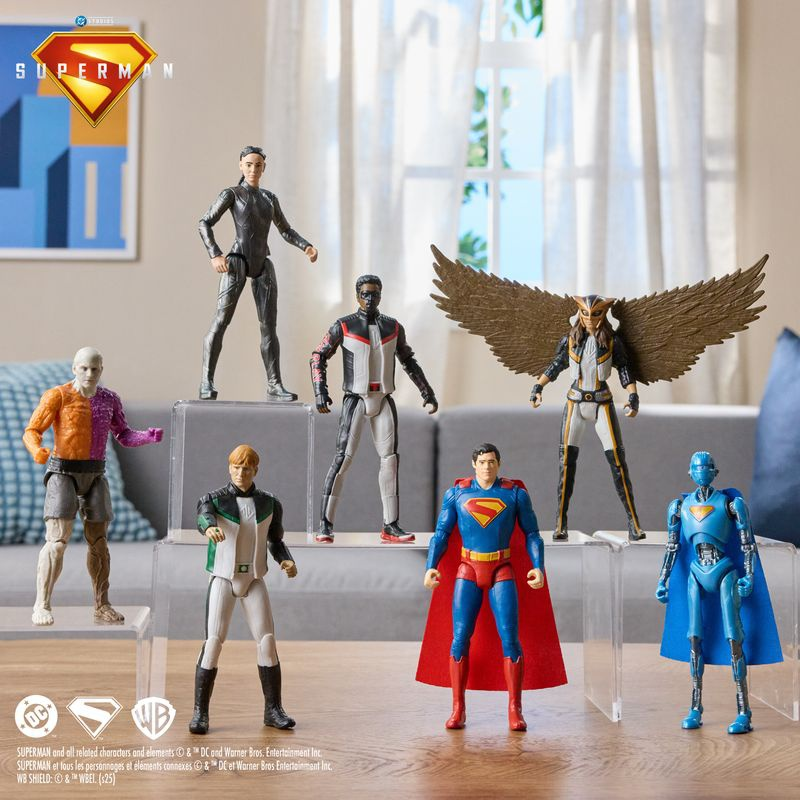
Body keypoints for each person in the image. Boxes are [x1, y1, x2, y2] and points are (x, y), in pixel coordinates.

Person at [417, 444, 566, 731]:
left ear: (499, 464)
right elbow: (441, 534)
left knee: (510, 637)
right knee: (460, 637)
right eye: (483, 462)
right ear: (474, 464)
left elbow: (532, 534)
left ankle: (515, 708)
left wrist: (538, 566)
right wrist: (430, 565)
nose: (487, 467)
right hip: (468, 568)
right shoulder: (457, 493)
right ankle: (458, 708)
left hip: (501, 568)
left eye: (492, 462)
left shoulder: (514, 494)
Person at [22, 347, 163, 626]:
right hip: (63, 472)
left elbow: (123, 434)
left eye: (94, 368)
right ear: (74, 368)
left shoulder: (109, 399)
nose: (89, 373)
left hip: (95, 473)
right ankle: (42, 604)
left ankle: (102, 604)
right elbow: (32, 430)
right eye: (84, 368)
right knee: (56, 542)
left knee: (99, 543)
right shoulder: (58, 395)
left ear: (101, 370)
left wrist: (147, 437)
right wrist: (36, 450)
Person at [656, 451, 782, 734]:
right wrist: (662, 579)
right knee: (694, 638)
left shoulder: (731, 505)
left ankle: (743, 710)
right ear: (690, 472)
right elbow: (672, 547)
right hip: (696, 572)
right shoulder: (679, 506)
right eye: (697, 468)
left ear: (715, 472)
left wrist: (749, 576)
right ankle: (695, 706)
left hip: (724, 570)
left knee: (734, 638)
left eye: (707, 467)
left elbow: (747, 544)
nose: (702, 472)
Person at [310, 275, 437, 543]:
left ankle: (391, 525)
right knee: (343, 459)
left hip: (383, 399)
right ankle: (325, 524)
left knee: (390, 461)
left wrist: (427, 391)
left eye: (374, 294)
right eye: (365, 294)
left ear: (381, 295)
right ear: (357, 295)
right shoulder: (344, 325)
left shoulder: (393, 326)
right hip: (355, 398)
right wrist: (320, 391)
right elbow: (318, 355)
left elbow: (408, 360)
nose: (369, 299)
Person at [190, 444, 297, 734]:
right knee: (213, 642)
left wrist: (285, 560)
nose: (240, 473)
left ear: (255, 470)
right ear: (229, 468)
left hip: (254, 578)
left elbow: (275, 540)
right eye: (236, 467)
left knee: (267, 641)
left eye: (246, 468)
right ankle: (200, 713)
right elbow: (203, 516)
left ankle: (273, 710)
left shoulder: (269, 503)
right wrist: (208, 527)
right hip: (223, 578)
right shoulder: (214, 499)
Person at [199, 145, 318, 401]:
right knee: (221, 320)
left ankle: (274, 383)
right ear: (241, 165)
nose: (253, 169)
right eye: (249, 164)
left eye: (258, 165)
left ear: (264, 168)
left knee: (269, 328)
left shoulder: (269, 199)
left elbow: (285, 230)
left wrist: (305, 246)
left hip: (263, 263)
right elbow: (205, 222)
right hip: (237, 261)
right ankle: (206, 382)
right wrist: (215, 254)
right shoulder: (232, 194)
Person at [530, 294, 646, 541]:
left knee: (618, 462)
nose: (590, 319)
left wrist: (633, 395)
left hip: (602, 401)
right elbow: (556, 364)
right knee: (566, 463)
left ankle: (634, 523)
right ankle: (560, 523)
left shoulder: (612, 341)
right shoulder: (570, 340)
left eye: (595, 314)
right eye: (585, 313)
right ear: (579, 313)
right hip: (575, 401)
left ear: (604, 314)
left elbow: (624, 368)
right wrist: (538, 386)